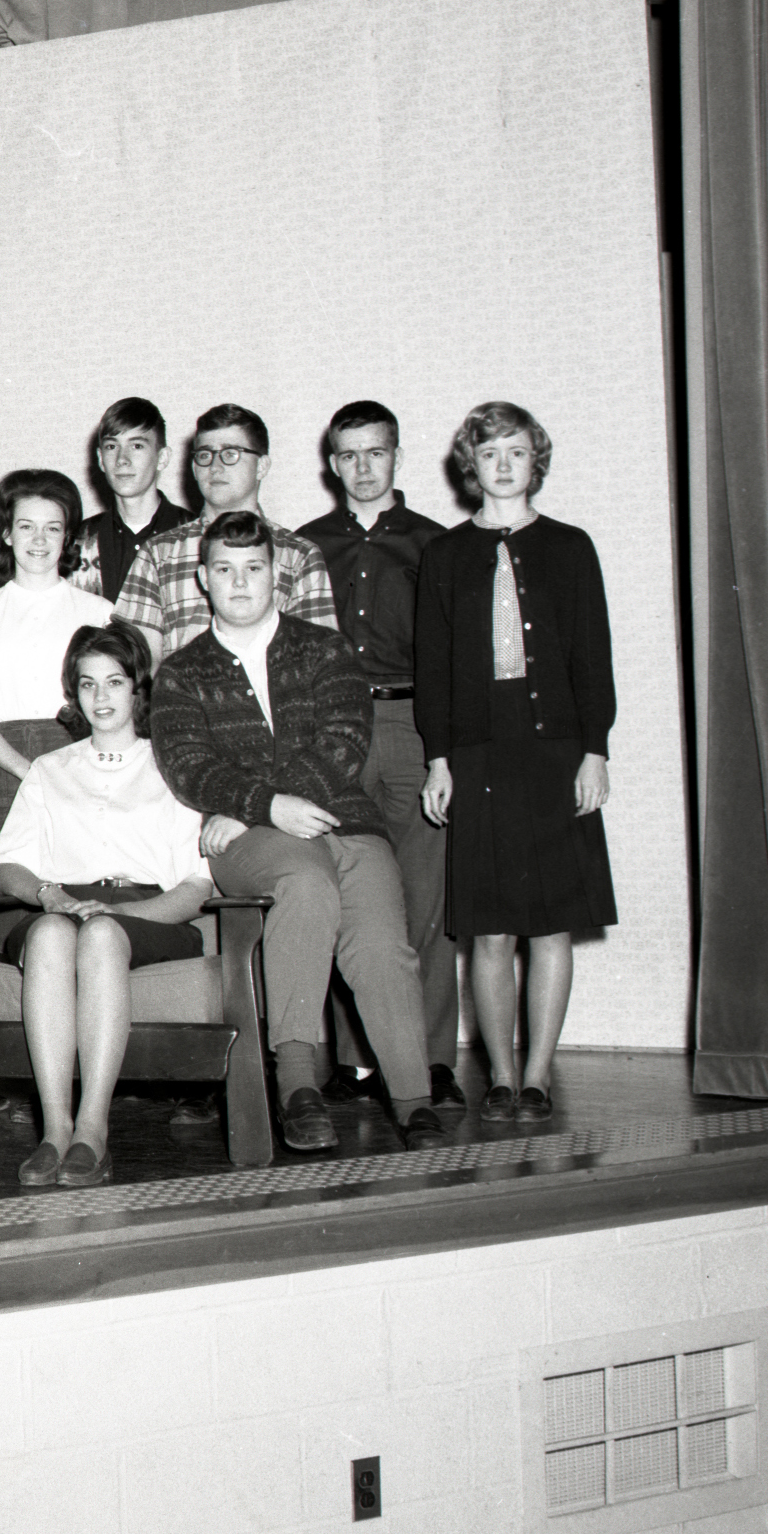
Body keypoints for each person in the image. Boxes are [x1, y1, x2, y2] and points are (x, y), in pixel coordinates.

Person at [150, 511, 433, 1150]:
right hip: (253, 844)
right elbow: (189, 766)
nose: (239, 582)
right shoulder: (182, 672)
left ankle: (413, 1098)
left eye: (253, 568)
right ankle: (298, 1085)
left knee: (379, 937)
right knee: (306, 884)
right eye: (224, 569)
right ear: (203, 578)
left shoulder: (326, 649)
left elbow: (345, 739)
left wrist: (259, 801)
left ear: (276, 575)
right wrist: (267, 810)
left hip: (343, 822)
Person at [417, 402, 616, 1121]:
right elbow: (434, 669)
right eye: (490, 453)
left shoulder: (570, 547)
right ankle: (500, 1075)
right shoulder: (444, 556)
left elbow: (592, 656)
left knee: (551, 925)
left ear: (537, 461)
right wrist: (439, 760)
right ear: (471, 465)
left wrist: (595, 750)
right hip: (478, 757)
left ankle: (537, 1076)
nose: (503, 465)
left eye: (517, 451)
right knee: (491, 930)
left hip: (554, 755)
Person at [0, 626, 215, 1190]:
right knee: (49, 934)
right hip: (61, 904)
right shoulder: (49, 769)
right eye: (88, 684)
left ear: (138, 688)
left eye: (115, 681)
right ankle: (55, 1130)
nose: (101, 696)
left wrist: (121, 918)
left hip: (151, 914)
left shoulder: (173, 767)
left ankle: (93, 1129)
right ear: (75, 692)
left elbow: (195, 887)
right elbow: (8, 865)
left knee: (102, 935)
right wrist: (51, 895)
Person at [297, 402, 464, 1111]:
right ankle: (354, 1061)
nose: (362, 467)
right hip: (336, 725)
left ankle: (430, 1060)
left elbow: (454, 654)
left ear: (397, 456)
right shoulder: (306, 545)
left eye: (375, 452)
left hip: (413, 722)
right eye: (348, 454)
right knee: (345, 890)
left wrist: (446, 750)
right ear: (331, 463)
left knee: (425, 899)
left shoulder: (436, 544)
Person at [0, 467, 112, 892]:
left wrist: (71, 773)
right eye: (26, 526)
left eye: (52, 528)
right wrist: (29, 770)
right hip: (7, 765)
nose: (39, 540)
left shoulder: (99, 613)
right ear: (6, 533)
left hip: (80, 763)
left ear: (67, 536)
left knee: (81, 893)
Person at [115, 405, 337, 659]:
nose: (215, 467)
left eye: (230, 454)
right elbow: (135, 663)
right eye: (205, 455)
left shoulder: (299, 556)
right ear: (194, 468)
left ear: (262, 466)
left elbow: (321, 661)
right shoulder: (158, 554)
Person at [78, 397, 192, 601]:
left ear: (162, 458)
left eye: (137, 446)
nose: (122, 460)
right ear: (101, 459)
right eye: (112, 446)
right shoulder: (78, 541)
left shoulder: (196, 536)